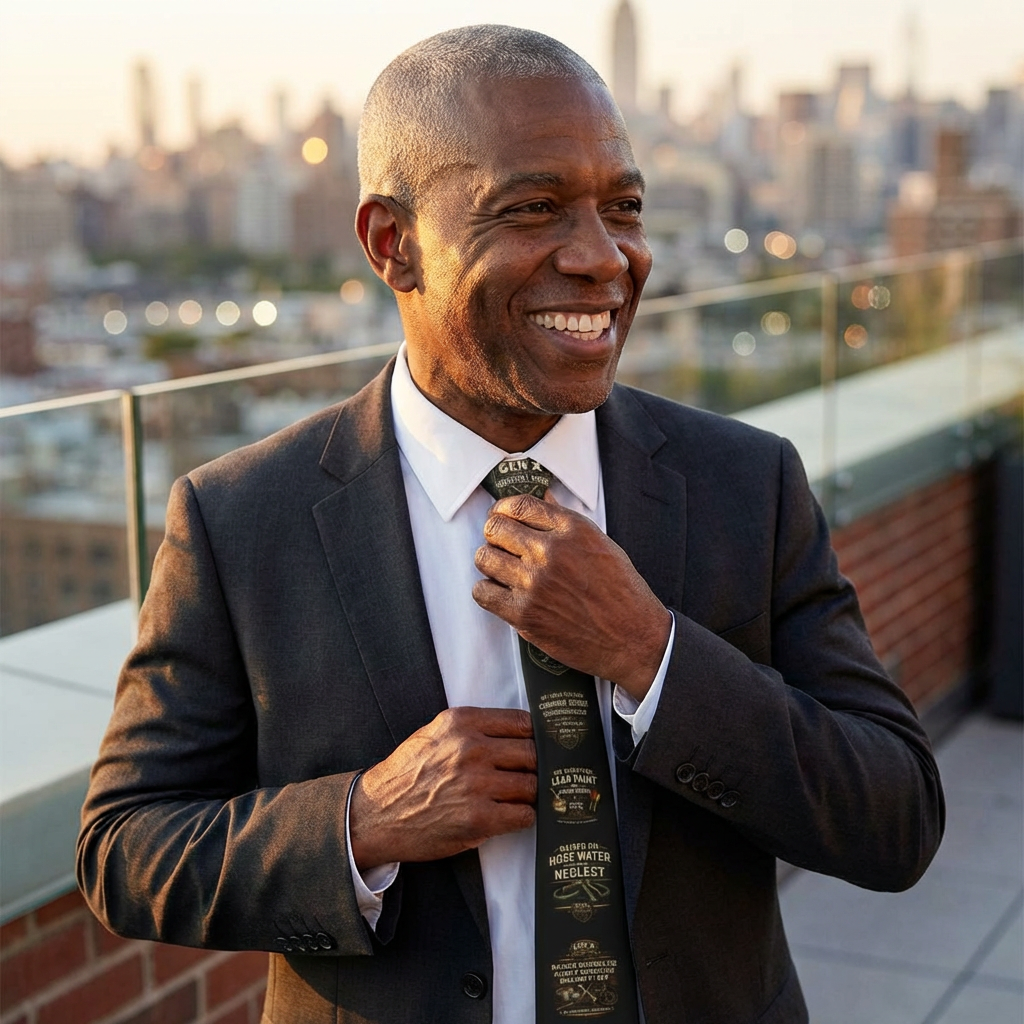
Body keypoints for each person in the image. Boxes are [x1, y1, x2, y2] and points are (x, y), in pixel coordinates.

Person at [78, 25, 944, 1024]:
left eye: (621, 208)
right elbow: (125, 847)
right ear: (389, 243)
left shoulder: (746, 484)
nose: (601, 257)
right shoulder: (239, 522)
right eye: (533, 209)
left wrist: (649, 652)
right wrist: (363, 822)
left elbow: (897, 817)